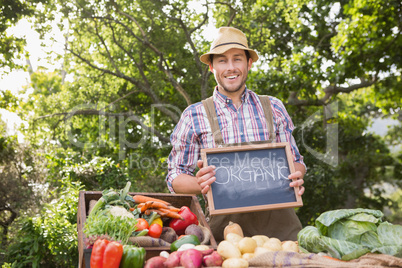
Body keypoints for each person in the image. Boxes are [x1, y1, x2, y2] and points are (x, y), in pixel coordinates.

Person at [166, 27, 306, 242]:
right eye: (222, 61)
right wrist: (201, 183)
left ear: (248, 63)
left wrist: (296, 175)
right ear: (211, 67)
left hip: (281, 233)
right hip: (225, 235)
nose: (231, 68)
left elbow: (296, 162)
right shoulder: (194, 115)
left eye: (237, 59)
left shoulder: (274, 107)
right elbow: (175, 177)